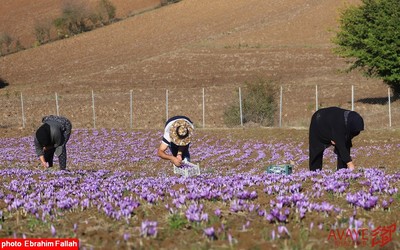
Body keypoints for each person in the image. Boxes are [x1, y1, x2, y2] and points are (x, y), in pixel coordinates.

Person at [309, 107, 364, 171]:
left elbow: (346, 141)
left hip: (333, 122)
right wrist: (350, 164)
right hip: (319, 121)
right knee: (316, 150)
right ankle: (314, 173)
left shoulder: (351, 120)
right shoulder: (339, 125)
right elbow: (341, 146)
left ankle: (342, 171)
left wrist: (341, 140)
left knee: (345, 145)